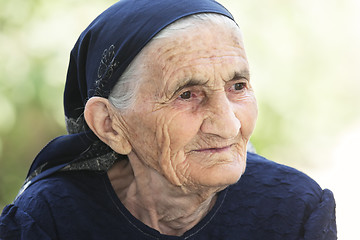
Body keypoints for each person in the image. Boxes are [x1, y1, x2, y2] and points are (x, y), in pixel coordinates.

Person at [0, 0, 336, 239]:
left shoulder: (295, 209)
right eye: (187, 94)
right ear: (109, 124)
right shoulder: (48, 219)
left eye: (238, 86)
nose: (229, 125)